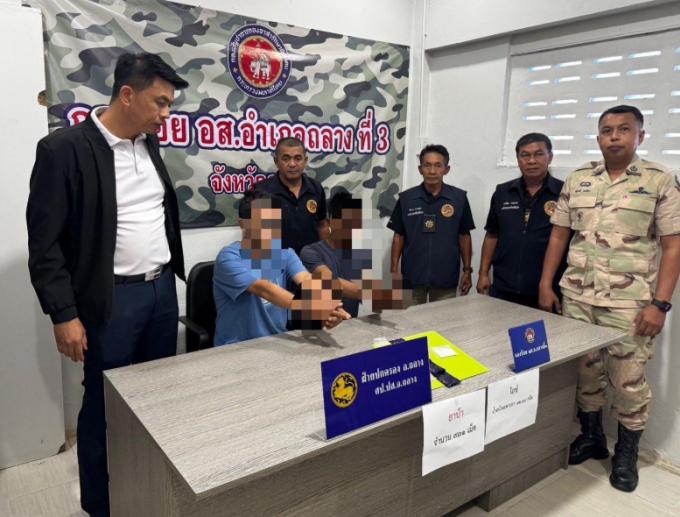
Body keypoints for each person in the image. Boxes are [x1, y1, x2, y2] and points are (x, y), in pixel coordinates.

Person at [26, 52, 188, 516]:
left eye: (170, 104)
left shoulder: (148, 143)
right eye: (160, 102)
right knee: (103, 405)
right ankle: (100, 505)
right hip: (111, 301)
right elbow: (45, 243)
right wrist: (63, 314)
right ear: (127, 94)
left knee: (157, 399)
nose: (166, 113)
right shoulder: (64, 150)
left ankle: (149, 492)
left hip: (161, 293)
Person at [538, 105, 680, 492]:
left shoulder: (659, 180)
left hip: (630, 304)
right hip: (578, 296)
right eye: (606, 130)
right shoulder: (580, 178)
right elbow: (559, 235)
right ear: (598, 137)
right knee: (585, 373)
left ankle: (626, 455)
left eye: (623, 129)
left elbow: (673, 246)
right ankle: (592, 438)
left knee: (628, 382)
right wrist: (546, 284)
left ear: (640, 136)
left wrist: (660, 304)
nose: (614, 136)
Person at [213, 191, 350, 345]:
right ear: (243, 224)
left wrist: (330, 307)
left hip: (279, 341)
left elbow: (306, 279)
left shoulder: (285, 253)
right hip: (237, 346)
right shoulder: (229, 258)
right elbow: (264, 289)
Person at [477, 133, 566, 308]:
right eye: (525, 155)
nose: (531, 161)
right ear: (518, 159)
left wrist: (548, 287)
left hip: (546, 292)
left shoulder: (564, 193)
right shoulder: (503, 192)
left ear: (550, 157)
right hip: (503, 289)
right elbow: (492, 235)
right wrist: (483, 274)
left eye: (538, 154)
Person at [387, 144, 475, 304]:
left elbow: (464, 236)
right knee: (411, 318)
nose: (432, 171)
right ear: (420, 169)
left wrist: (467, 271)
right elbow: (398, 236)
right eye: (427, 165)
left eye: (438, 165)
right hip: (412, 277)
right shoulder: (406, 199)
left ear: (446, 169)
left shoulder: (459, 198)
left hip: (445, 277)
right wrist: (394, 270)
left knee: (442, 318)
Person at [300, 192, 405, 317]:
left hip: (350, 323)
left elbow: (371, 295)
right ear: (330, 222)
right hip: (321, 322)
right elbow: (330, 283)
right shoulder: (310, 252)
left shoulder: (361, 253)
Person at [253, 137, 327, 255]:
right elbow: (257, 235)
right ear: (276, 161)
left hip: (312, 261)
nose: (292, 164)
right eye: (286, 159)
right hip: (278, 262)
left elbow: (322, 225)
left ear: (305, 160)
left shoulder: (316, 188)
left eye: (298, 158)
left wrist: (326, 255)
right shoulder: (262, 191)